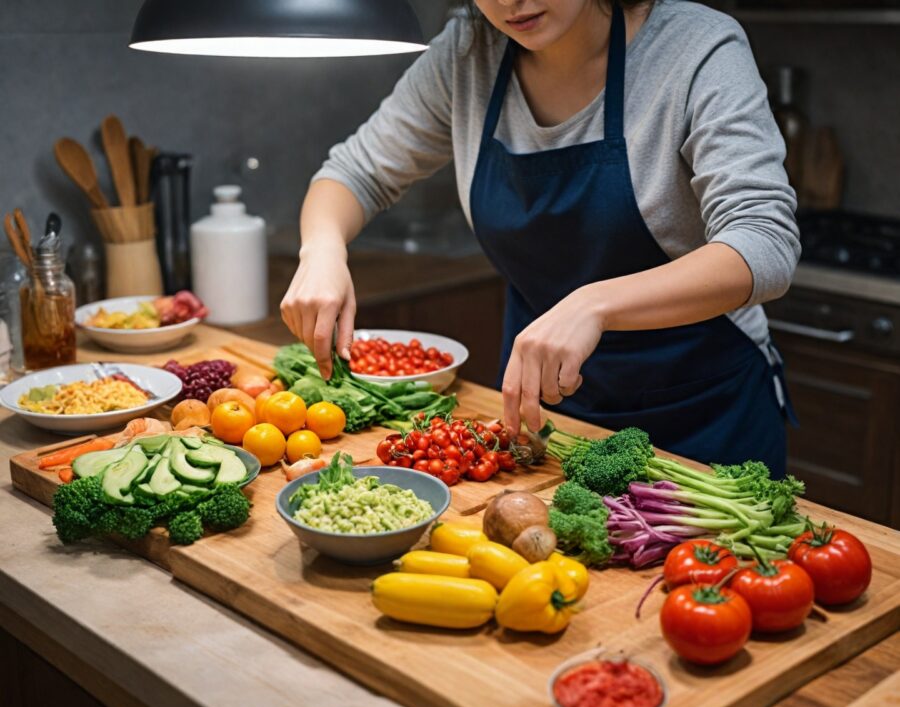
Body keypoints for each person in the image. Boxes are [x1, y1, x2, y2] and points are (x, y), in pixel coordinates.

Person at [279, 0, 800, 476]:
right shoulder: (468, 51)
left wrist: (594, 305)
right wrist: (322, 249)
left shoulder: (695, 48)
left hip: (703, 413)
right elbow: (354, 173)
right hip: (544, 414)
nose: (511, 2)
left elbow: (764, 241)